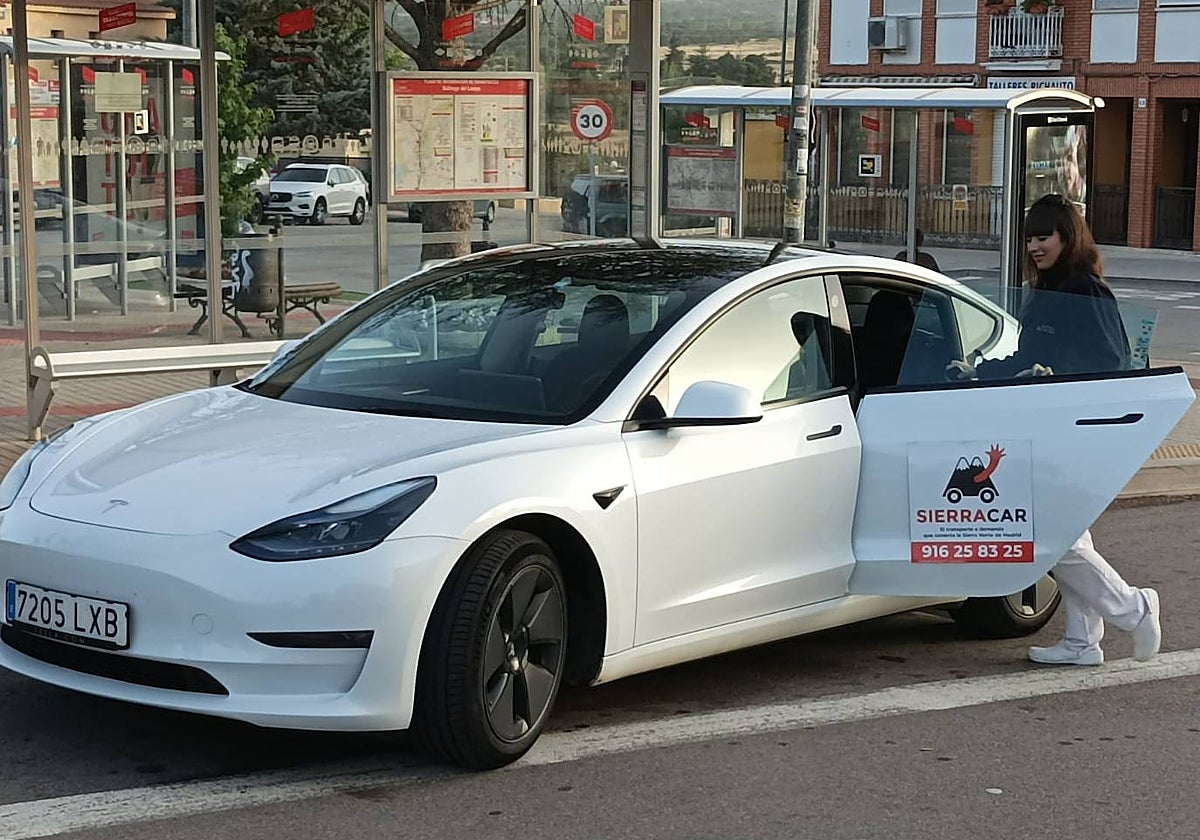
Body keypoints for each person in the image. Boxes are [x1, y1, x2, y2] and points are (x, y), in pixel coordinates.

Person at [949, 193, 1159, 666]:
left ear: (1068, 237)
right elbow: (1027, 359)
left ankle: (1134, 607)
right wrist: (979, 371)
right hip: (1045, 424)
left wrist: (1056, 376)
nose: (1034, 247)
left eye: (1043, 237)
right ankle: (1084, 640)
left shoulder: (1085, 289)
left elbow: (1110, 361)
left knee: (1049, 532)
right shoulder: (1045, 291)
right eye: (1029, 239)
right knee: (1069, 533)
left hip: (1075, 428)